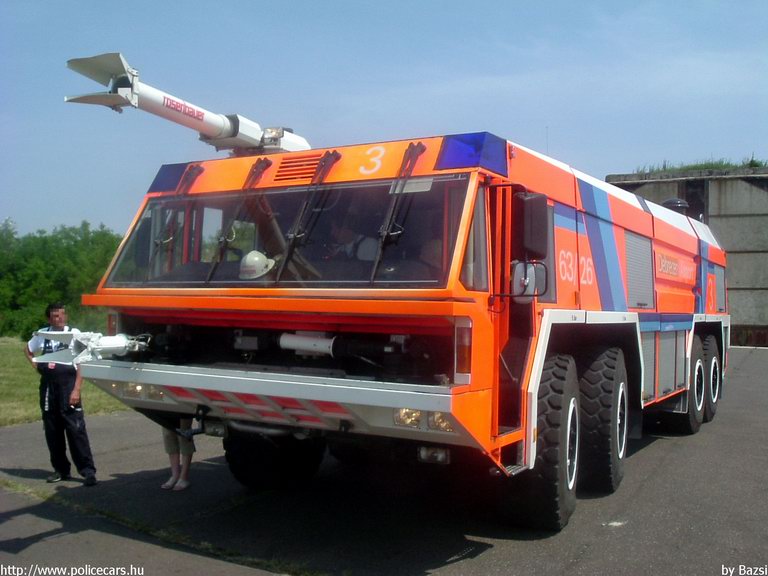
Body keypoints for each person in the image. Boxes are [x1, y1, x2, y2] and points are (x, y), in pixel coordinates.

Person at [24, 302, 97, 486]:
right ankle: (60, 470)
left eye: (63, 314)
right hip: (48, 388)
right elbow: (28, 349)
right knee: (52, 430)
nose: (61, 318)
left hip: (68, 386)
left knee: (76, 429)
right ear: (49, 318)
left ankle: (87, 471)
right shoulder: (42, 335)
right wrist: (34, 363)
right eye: (56, 315)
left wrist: (77, 389)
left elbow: (82, 362)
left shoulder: (75, 334)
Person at [160, 418, 195, 491]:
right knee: (168, 434)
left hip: (183, 409)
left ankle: (183, 478)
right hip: (167, 409)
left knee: (183, 434)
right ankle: (175, 475)